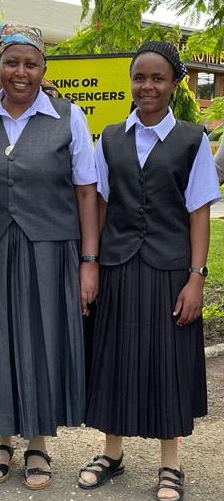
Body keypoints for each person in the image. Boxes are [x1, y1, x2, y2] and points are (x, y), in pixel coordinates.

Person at [0, 23, 99, 490]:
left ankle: (37, 442)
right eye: (12, 62)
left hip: (52, 250)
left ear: (43, 68)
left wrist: (88, 261)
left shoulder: (67, 116)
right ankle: (1, 437)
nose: (22, 71)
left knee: (42, 341)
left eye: (31, 63)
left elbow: (86, 194)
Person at [77, 41, 221, 501]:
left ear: (175, 84)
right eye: (140, 77)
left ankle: (170, 464)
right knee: (114, 356)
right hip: (118, 265)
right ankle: (112, 453)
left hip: (168, 269)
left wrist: (196, 275)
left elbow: (198, 211)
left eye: (158, 78)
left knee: (167, 362)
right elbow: (98, 204)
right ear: (131, 82)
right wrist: (92, 264)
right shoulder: (110, 137)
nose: (148, 86)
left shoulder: (192, 139)